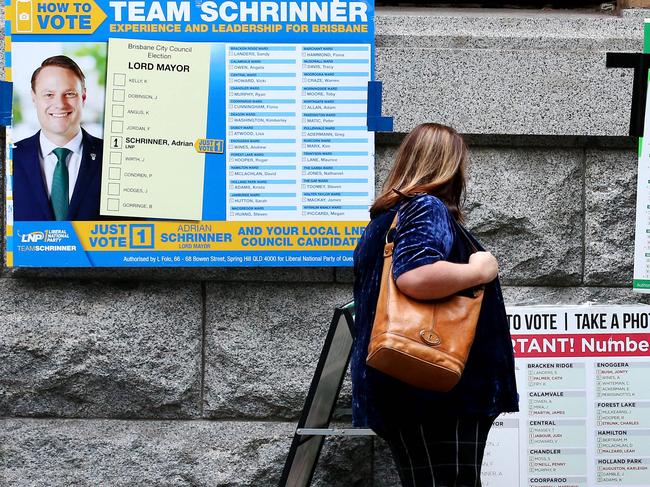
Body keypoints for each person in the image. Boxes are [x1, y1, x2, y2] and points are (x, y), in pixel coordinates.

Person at [352, 123, 518, 486]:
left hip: (406, 384)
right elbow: (415, 274)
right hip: (435, 387)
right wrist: (479, 269)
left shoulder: (382, 222)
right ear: (447, 166)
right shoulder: (426, 207)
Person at [13, 55, 102, 221]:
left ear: (83, 97)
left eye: (69, 94)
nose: (60, 104)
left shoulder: (114, 159)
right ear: (34, 98)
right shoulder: (9, 159)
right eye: (48, 95)